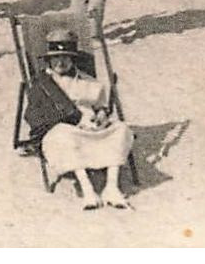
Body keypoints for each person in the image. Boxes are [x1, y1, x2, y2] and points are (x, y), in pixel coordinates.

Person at [25, 28, 133, 210]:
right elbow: (33, 116)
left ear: (73, 59)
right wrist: (74, 122)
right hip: (66, 130)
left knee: (122, 129)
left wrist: (101, 116)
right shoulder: (43, 85)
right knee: (63, 136)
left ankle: (111, 188)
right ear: (49, 60)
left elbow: (101, 107)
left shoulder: (88, 81)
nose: (61, 62)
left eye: (65, 57)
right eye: (56, 57)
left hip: (93, 130)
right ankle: (88, 190)